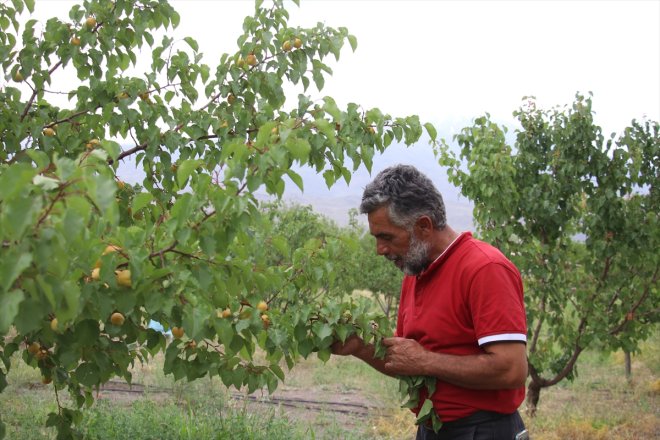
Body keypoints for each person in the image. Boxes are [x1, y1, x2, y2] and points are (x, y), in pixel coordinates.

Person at [332, 164, 528, 440]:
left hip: (484, 431)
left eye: (386, 237)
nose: (380, 250)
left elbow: (511, 369)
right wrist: (358, 347)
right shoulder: (416, 270)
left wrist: (426, 361)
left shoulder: (484, 268)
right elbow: (409, 363)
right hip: (434, 429)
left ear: (423, 226)